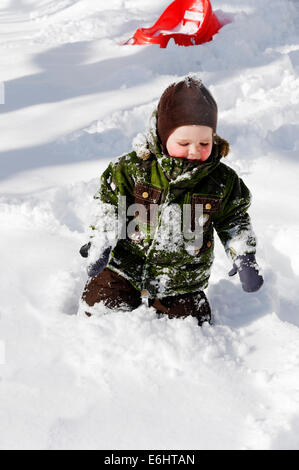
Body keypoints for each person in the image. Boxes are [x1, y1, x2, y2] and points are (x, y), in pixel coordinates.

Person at [79, 75, 263, 325]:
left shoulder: (221, 181)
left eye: (204, 142)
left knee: (191, 325)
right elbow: (109, 202)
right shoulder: (134, 168)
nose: (194, 150)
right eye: (184, 142)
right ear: (163, 137)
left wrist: (244, 255)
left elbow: (234, 219)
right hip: (125, 267)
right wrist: (101, 237)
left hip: (180, 280)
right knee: (98, 309)